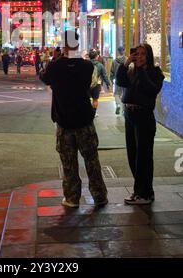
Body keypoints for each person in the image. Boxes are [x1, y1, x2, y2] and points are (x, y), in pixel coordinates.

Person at [40, 30, 108, 209]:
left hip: (64, 122)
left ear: (64, 46)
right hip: (84, 120)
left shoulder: (55, 67)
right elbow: (91, 85)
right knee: (92, 160)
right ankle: (99, 195)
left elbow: (44, 78)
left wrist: (54, 61)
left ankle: (72, 198)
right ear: (77, 45)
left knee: (69, 163)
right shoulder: (87, 66)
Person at [116, 44, 164, 205]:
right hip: (130, 115)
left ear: (149, 56)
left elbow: (151, 90)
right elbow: (121, 81)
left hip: (144, 116)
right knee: (132, 155)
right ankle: (143, 191)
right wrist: (127, 62)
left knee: (143, 157)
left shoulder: (155, 72)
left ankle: (143, 194)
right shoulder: (131, 71)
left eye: (143, 54)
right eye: (137, 54)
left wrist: (142, 70)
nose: (140, 57)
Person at [89, 49, 110, 114]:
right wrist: (108, 84)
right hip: (97, 84)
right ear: (96, 57)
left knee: (87, 99)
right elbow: (104, 75)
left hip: (87, 84)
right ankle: (94, 113)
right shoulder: (100, 65)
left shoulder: (86, 64)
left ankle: (88, 112)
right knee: (95, 100)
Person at [110, 46, 127, 115]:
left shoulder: (115, 61)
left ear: (118, 51)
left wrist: (111, 80)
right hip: (126, 79)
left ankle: (118, 105)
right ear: (124, 50)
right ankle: (124, 109)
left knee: (116, 93)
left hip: (117, 79)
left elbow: (112, 71)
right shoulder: (127, 59)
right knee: (124, 93)